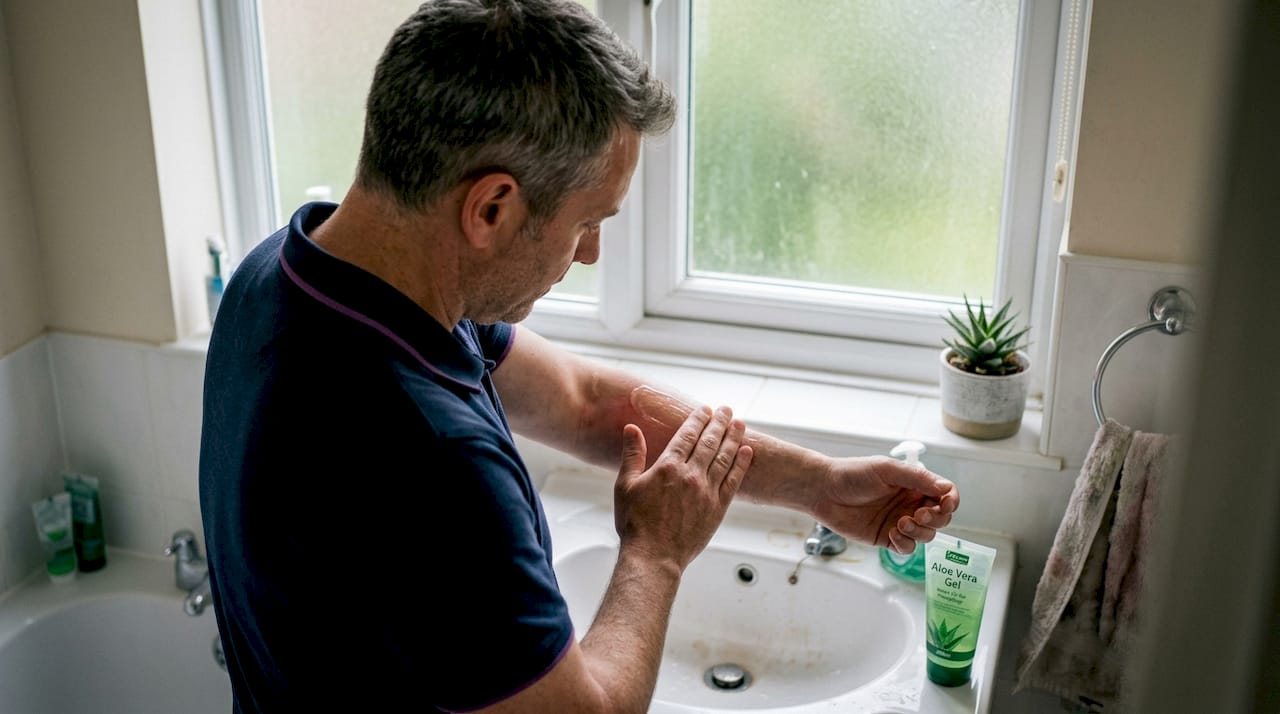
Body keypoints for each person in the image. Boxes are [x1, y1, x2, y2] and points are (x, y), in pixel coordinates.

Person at [198, 1, 960, 712]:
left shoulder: (290, 276)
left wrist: (819, 486)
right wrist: (656, 554)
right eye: (587, 221)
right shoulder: (435, 459)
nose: (591, 254)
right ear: (490, 208)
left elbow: (584, 400)